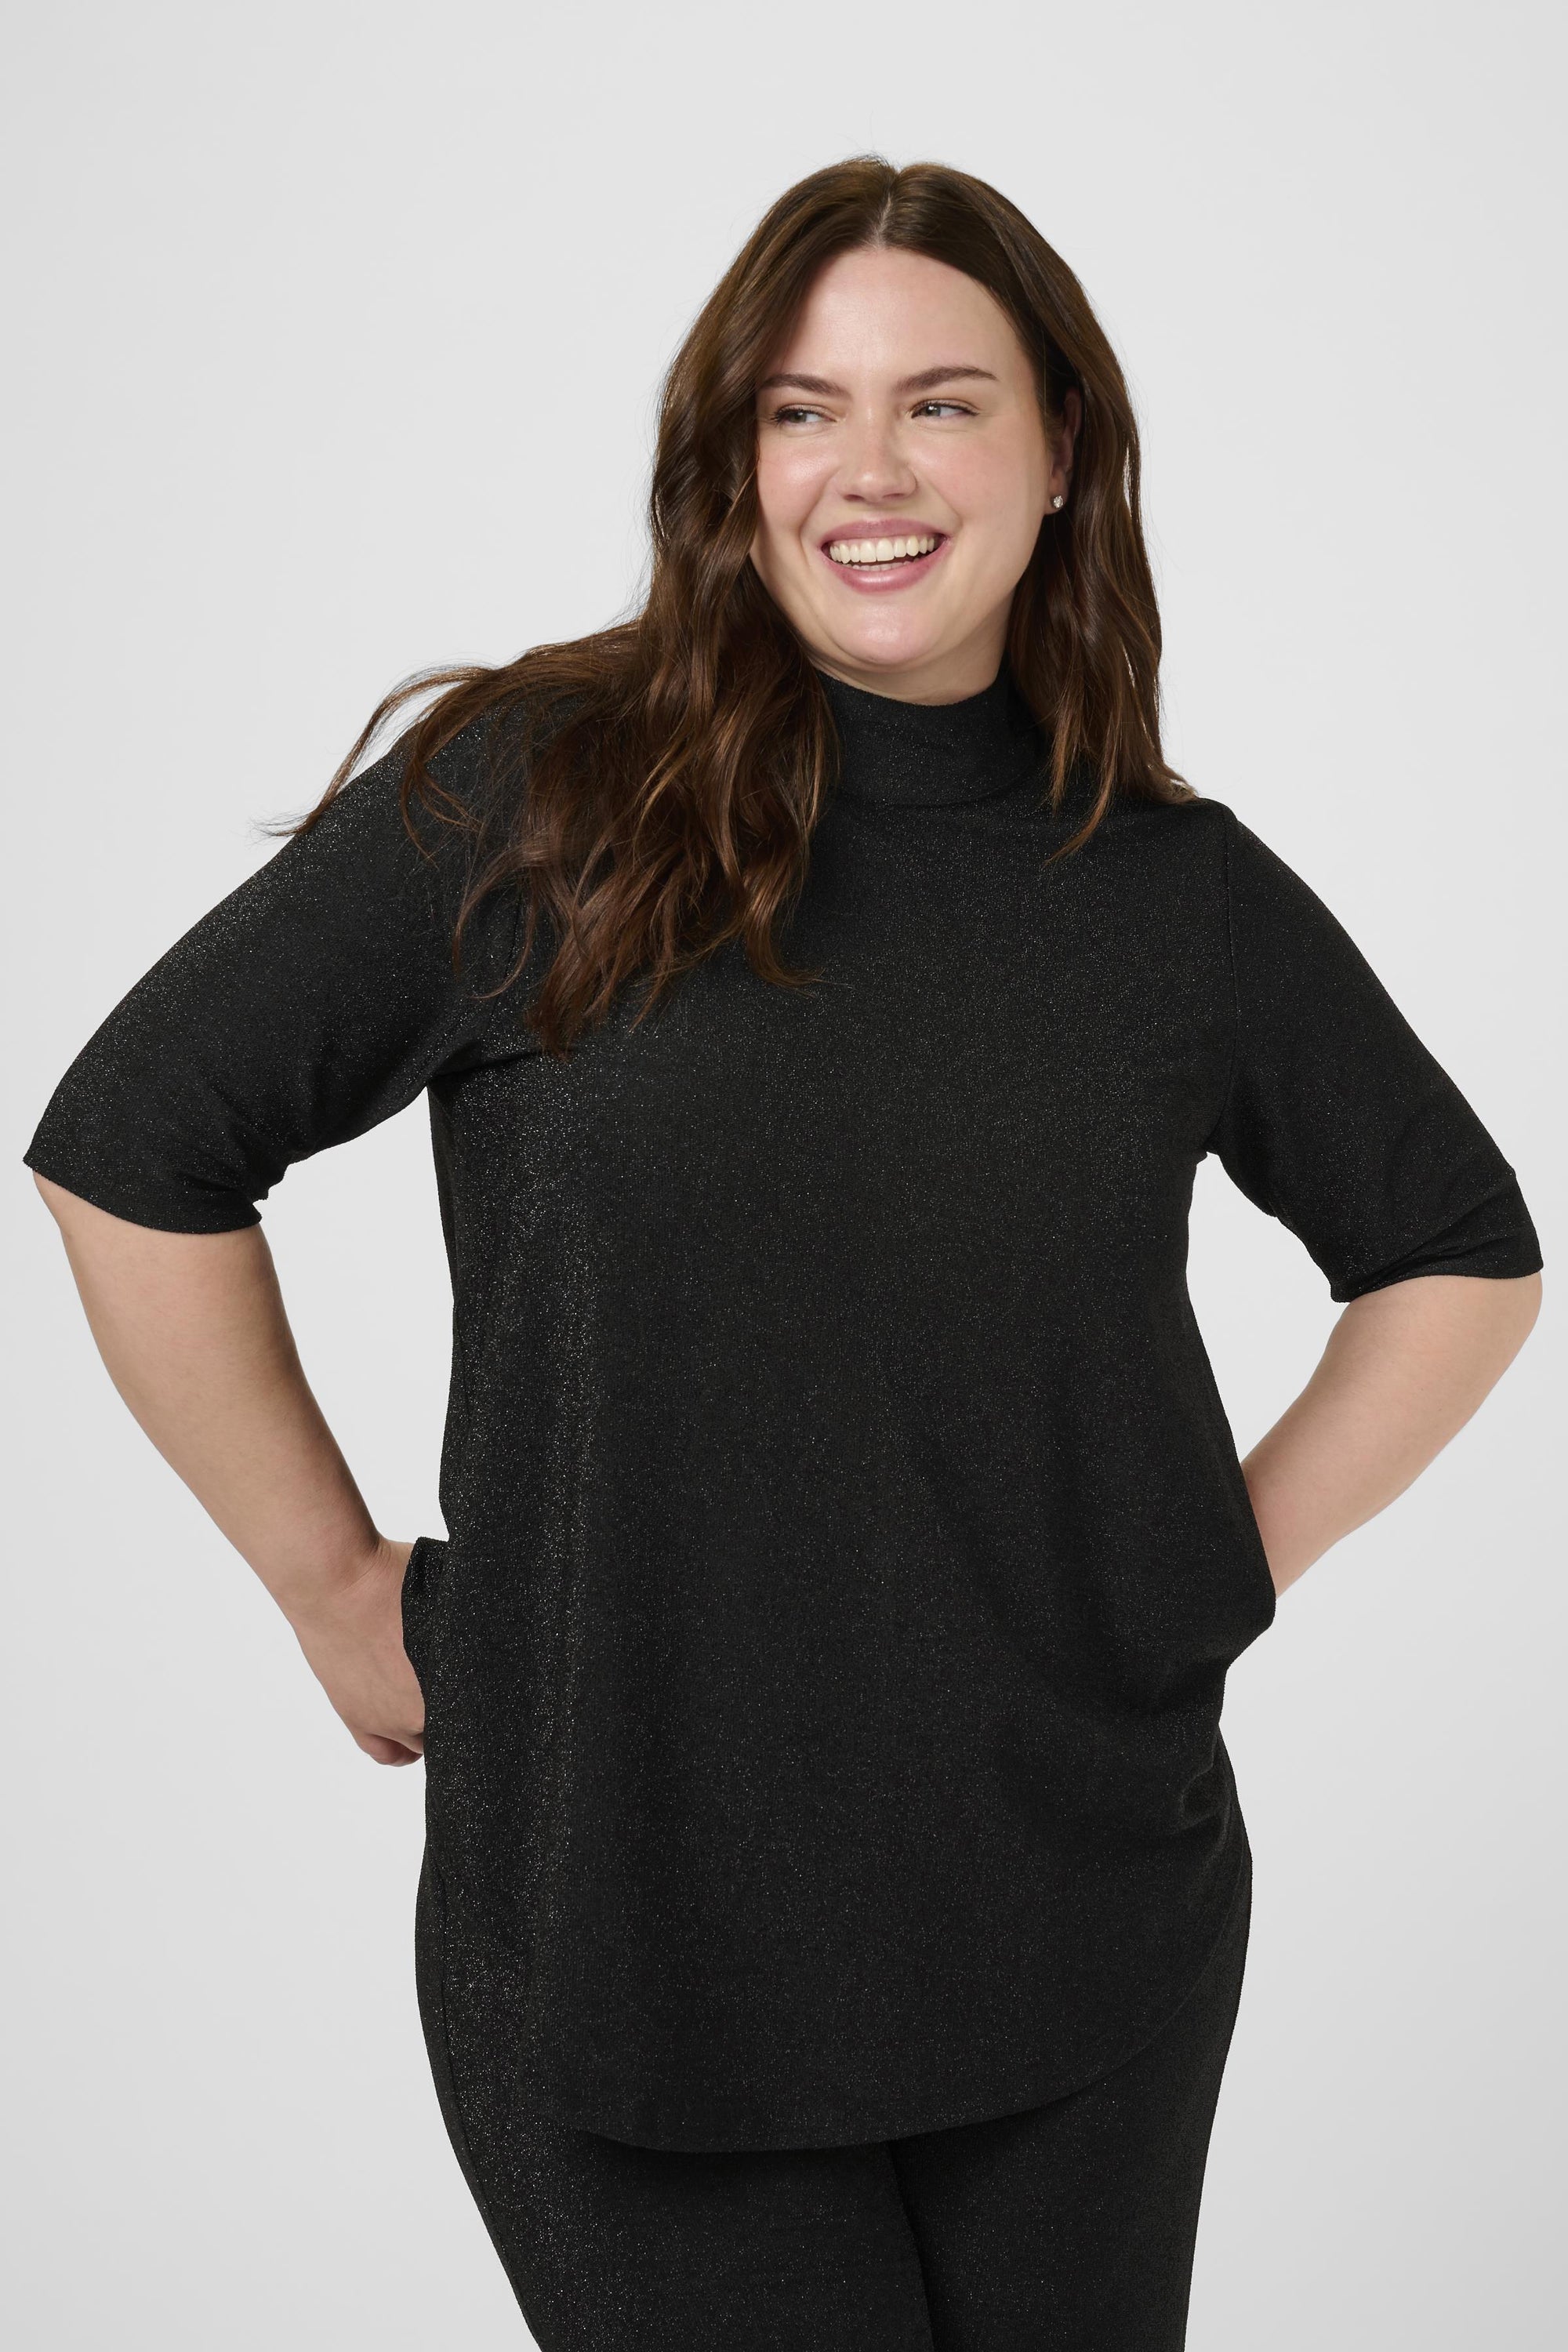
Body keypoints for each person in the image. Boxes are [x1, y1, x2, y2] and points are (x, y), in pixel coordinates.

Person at [24, 154, 1543, 2350]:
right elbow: (135, 1148)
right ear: (732, 467)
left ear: (1062, 451)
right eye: (802, 410)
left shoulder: (1170, 894)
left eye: (943, 403)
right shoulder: (543, 795)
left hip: (1084, 1923)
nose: (871, 469)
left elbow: (1459, 1251)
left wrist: (1208, 1566)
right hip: (622, 1922)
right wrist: (332, 1585)